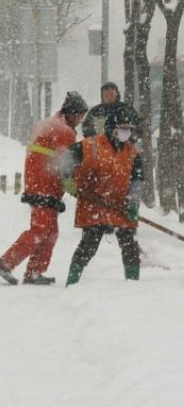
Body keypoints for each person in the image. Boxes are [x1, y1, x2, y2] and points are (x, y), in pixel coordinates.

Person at [0, 92, 89, 286]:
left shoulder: (49, 123)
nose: (81, 119)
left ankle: (34, 272)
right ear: (72, 112)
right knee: (40, 230)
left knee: (50, 231)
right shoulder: (63, 131)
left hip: (38, 183)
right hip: (45, 186)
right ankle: (6, 263)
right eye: (80, 115)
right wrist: (77, 190)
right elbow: (66, 165)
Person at [63, 105, 144, 286]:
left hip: (121, 206)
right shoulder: (90, 145)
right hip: (94, 204)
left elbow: (137, 179)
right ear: (111, 128)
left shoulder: (132, 152)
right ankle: (72, 282)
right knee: (88, 247)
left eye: (129, 129)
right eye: (122, 129)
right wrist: (70, 183)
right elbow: (65, 162)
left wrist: (133, 203)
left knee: (130, 247)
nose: (126, 133)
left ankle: (134, 286)